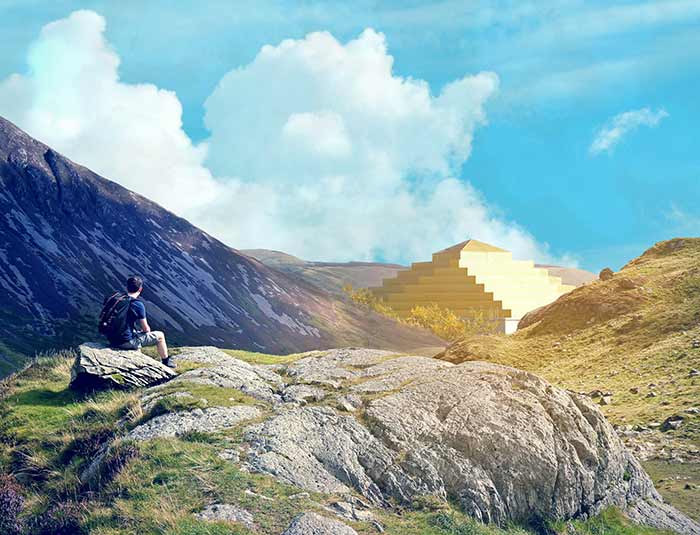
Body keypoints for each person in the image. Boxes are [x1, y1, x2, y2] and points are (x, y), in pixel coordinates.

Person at [116, 275, 175, 369]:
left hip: (112, 338)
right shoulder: (137, 304)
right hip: (126, 341)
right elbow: (146, 329)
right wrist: (143, 331)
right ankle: (166, 361)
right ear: (140, 289)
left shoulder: (118, 300)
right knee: (160, 336)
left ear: (127, 287)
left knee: (134, 334)